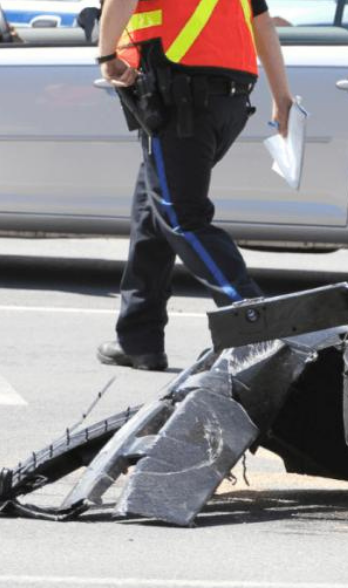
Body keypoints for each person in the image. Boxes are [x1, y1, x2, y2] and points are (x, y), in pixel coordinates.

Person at [92, 0, 294, 371]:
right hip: (227, 101)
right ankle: (140, 340)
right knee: (151, 213)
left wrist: (105, 57)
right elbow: (262, 23)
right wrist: (282, 95)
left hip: (180, 97)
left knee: (182, 217)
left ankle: (256, 327)